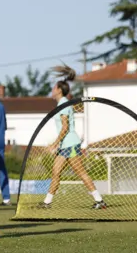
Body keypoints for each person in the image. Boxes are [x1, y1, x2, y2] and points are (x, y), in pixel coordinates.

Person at [41, 66, 106, 210]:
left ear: (59, 90)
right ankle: (47, 203)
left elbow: (65, 127)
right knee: (56, 172)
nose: (52, 90)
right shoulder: (62, 103)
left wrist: (54, 144)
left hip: (69, 144)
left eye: (53, 88)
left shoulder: (64, 104)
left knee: (80, 172)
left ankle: (99, 200)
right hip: (65, 145)